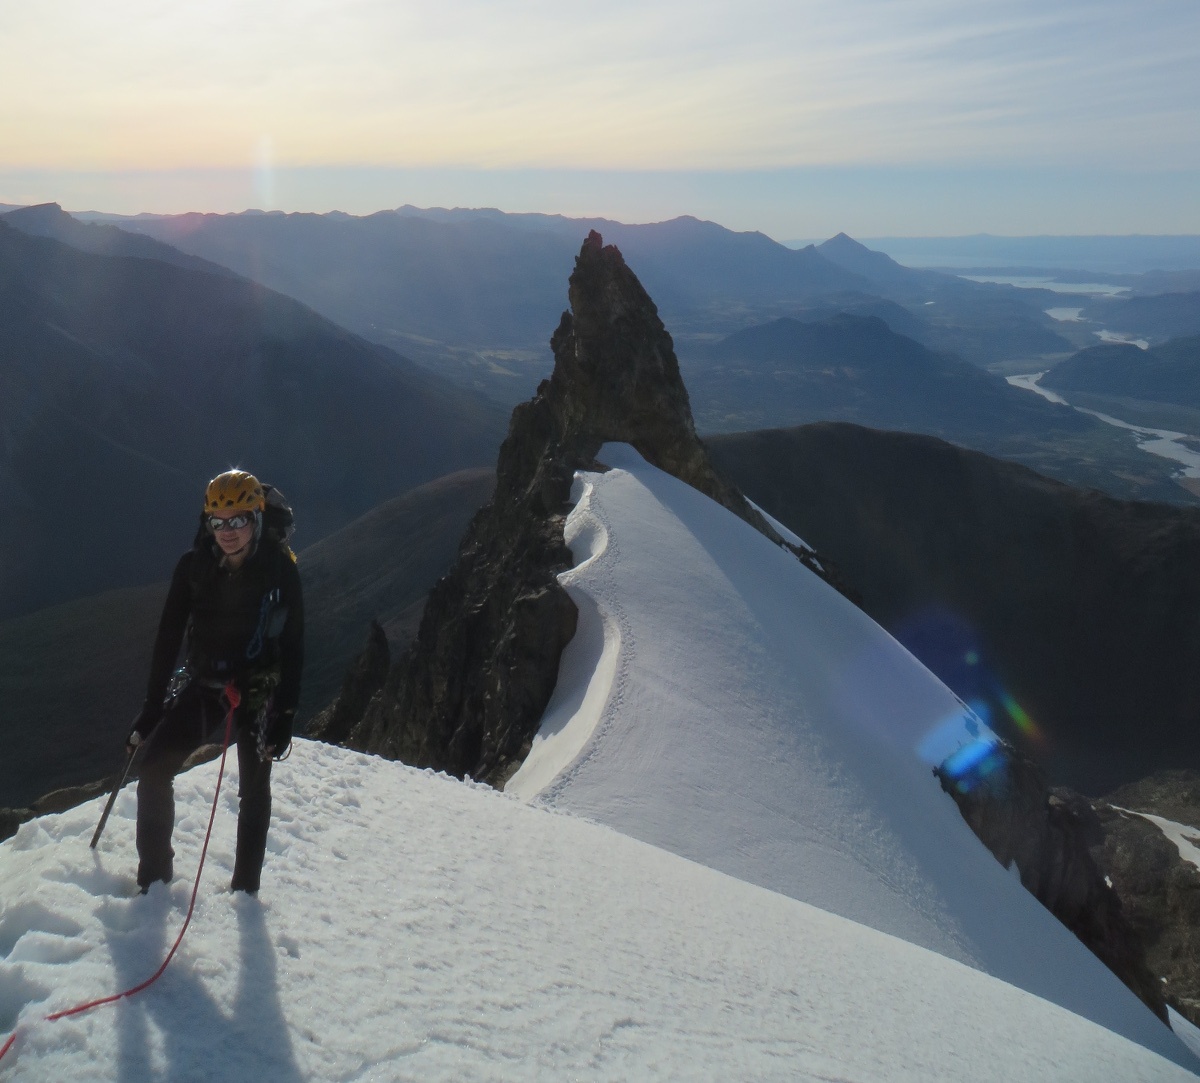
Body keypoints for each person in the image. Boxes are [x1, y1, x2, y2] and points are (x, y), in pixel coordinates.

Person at [128, 469, 304, 895]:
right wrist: (152, 707)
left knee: (254, 788)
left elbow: (294, 644)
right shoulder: (193, 568)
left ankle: (245, 890)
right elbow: (168, 638)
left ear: (256, 518)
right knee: (153, 769)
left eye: (238, 519)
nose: (227, 531)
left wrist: (285, 714)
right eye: (218, 521)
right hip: (208, 681)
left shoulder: (280, 569)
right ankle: (154, 881)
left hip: (258, 686)